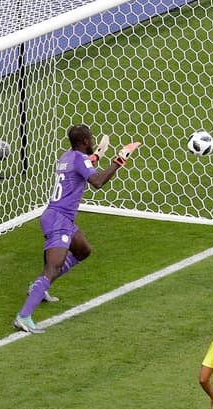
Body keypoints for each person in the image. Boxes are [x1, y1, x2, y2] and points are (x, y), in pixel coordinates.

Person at [13, 124, 139, 334]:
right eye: (91, 139)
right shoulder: (80, 159)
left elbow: (80, 168)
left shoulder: (67, 156)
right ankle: (23, 316)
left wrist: (97, 154)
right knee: (53, 267)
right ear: (85, 142)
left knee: (83, 250)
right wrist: (120, 159)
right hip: (59, 221)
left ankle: (39, 287)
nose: (93, 141)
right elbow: (97, 182)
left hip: (58, 217)